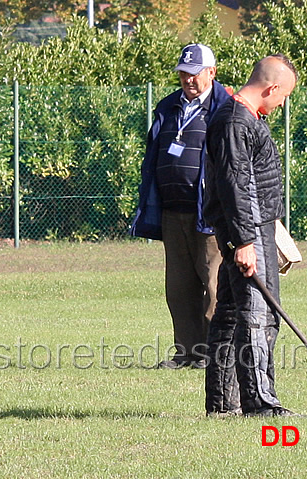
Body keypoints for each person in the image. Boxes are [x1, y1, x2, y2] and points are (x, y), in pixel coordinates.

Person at [204, 54, 299, 417]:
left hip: (254, 227)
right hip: (247, 231)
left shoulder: (238, 118)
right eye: (283, 96)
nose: (282, 103)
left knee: (229, 314)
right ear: (271, 87)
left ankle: (222, 403)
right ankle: (260, 403)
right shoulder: (234, 121)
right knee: (257, 315)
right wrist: (245, 241)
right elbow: (234, 185)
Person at [130, 44, 230, 369]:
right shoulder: (168, 106)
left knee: (213, 284)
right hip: (173, 212)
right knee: (179, 287)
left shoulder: (225, 108)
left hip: (209, 214)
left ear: (211, 73)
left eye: (194, 72)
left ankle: (215, 354)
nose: (187, 79)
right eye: (183, 73)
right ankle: (187, 353)